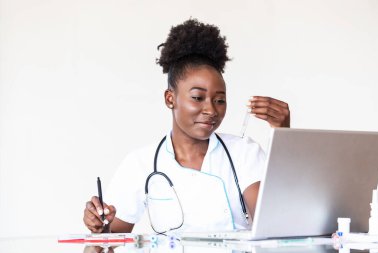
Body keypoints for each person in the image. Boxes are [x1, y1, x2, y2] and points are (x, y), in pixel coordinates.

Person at [83, 19, 290, 234]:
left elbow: (275, 225)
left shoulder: (243, 152)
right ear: (170, 98)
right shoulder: (141, 163)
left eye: (220, 100)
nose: (211, 110)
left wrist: (283, 138)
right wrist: (98, 227)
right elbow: (105, 243)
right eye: (198, 97)